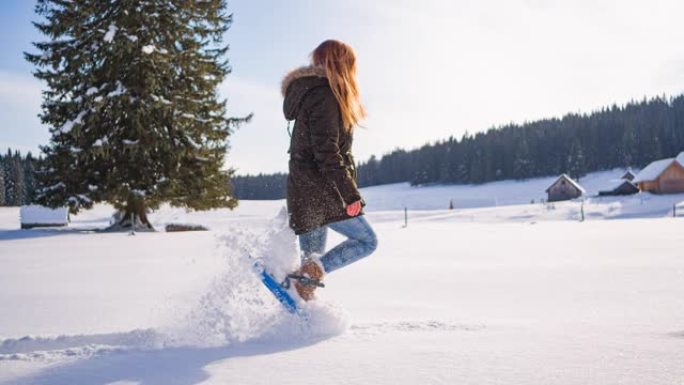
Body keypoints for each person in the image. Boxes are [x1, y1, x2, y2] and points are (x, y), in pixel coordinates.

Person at [281, 40, 378, 301]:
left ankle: (301, 306)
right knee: (367, 241)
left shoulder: (309, 94)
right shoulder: (325, 95)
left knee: (308, 270)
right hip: (323, 192)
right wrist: (350, 194)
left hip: (306, 191)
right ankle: (310, 275)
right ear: (342, 65)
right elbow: (327, 153)